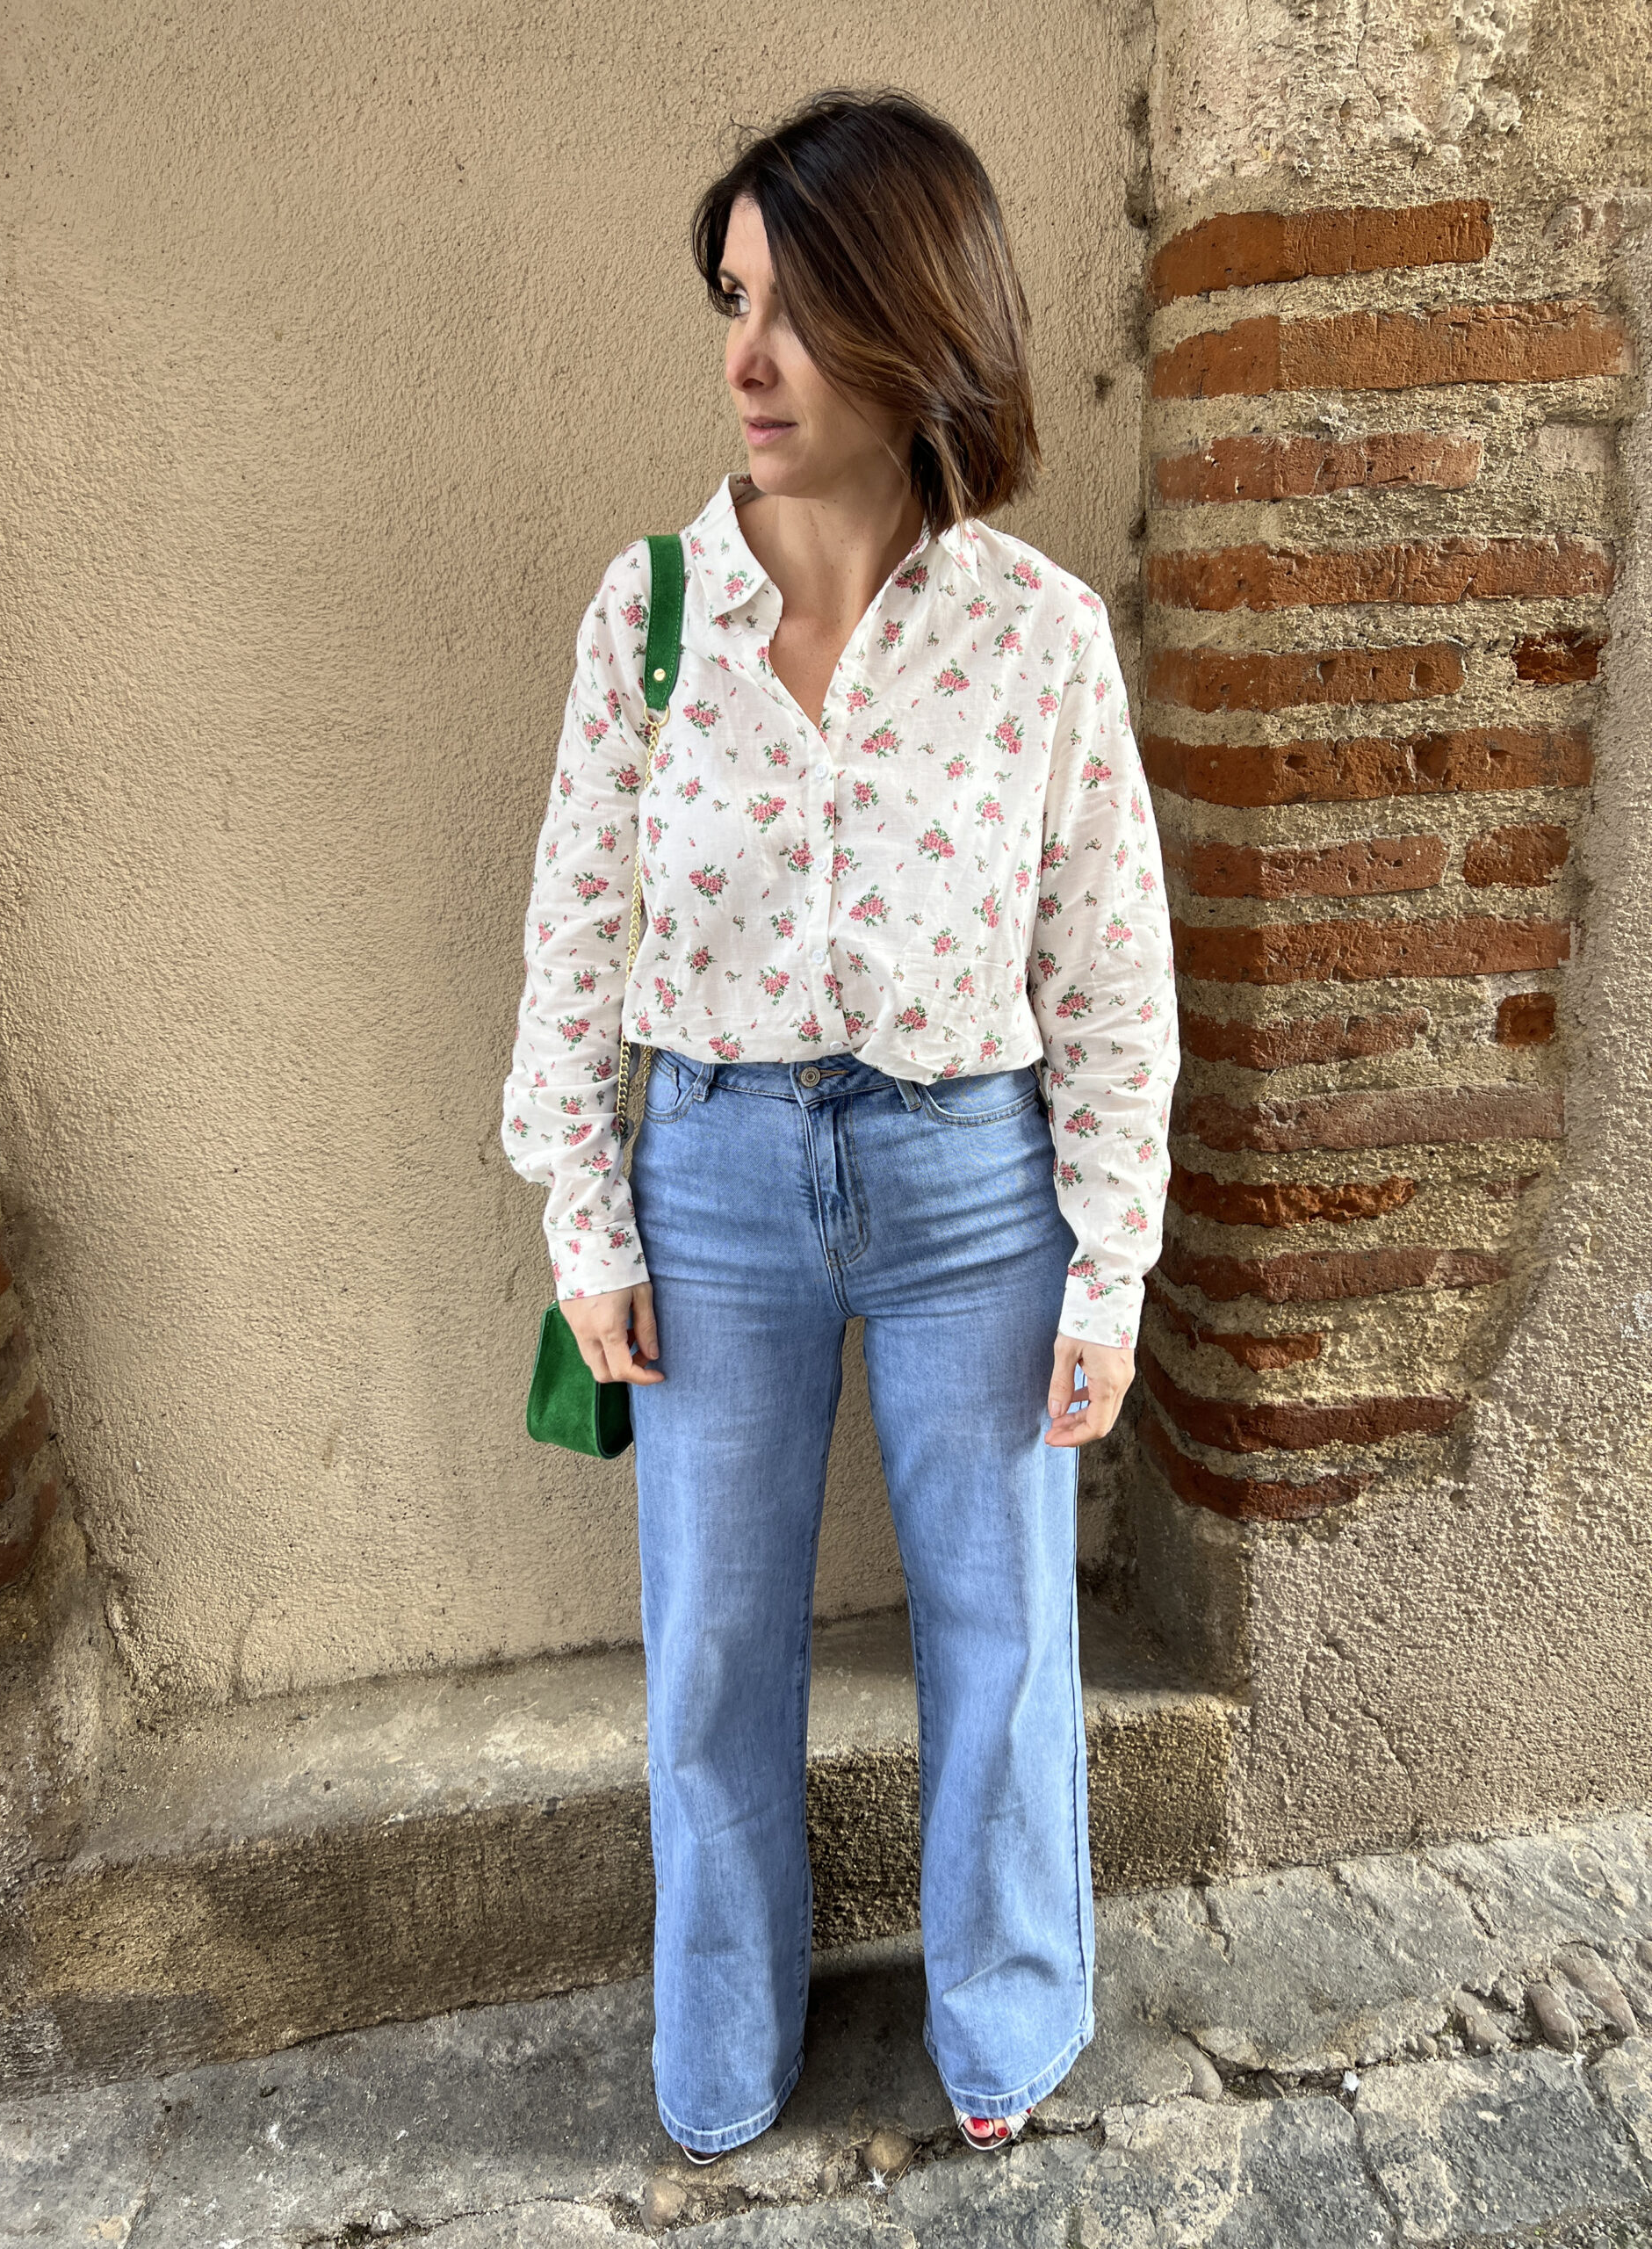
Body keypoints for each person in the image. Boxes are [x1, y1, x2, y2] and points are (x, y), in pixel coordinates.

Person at [501, 88, 1178, 2164]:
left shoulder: (1039, 635)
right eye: (733, 302)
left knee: (1004, 1621)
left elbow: (1110, 970)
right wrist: (584, 1214)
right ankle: (716, 2047)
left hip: (977, 1178)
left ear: (921, 327)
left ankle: (1005, 2018)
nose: (747, 359)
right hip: (707, 1177)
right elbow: (571, 935)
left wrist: (1113, 1254)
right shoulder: (654, 616)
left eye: (802, 310)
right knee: (713, 1643)